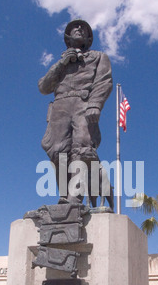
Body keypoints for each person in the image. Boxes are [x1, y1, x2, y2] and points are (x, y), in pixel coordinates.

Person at [38, 19, 113, 205]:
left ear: (88, 38)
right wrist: (61, 64)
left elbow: (104, 81)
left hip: (84, 103)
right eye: (75, 28)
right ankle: (64, 195)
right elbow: (44, 87)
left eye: (83, 29)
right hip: (60, 107)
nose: (79, 29)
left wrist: (95, 103)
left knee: (82, 148)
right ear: (68, 38)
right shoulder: (60, 63)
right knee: (56, 151)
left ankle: (75, 197)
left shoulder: (99, 57)